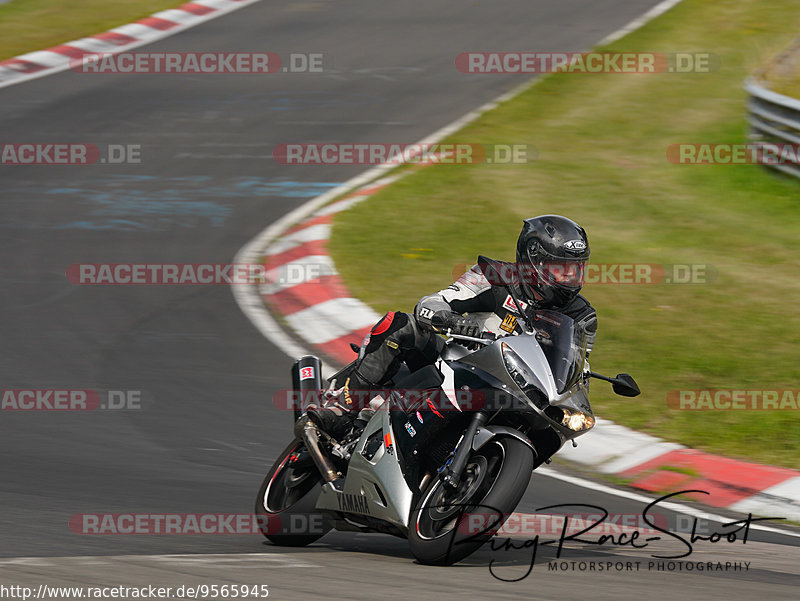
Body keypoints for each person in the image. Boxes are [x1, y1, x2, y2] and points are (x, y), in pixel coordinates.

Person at [307, 214, 597, 436]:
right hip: (456, 363)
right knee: (401, 325)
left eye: (576, 269)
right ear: (534, 260)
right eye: (560, 269)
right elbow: (433, 303)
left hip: (514, 393)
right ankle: (342, 405)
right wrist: (449, 319)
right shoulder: (495, 276)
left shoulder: (582, 316)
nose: (570, 278)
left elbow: (574, 370)